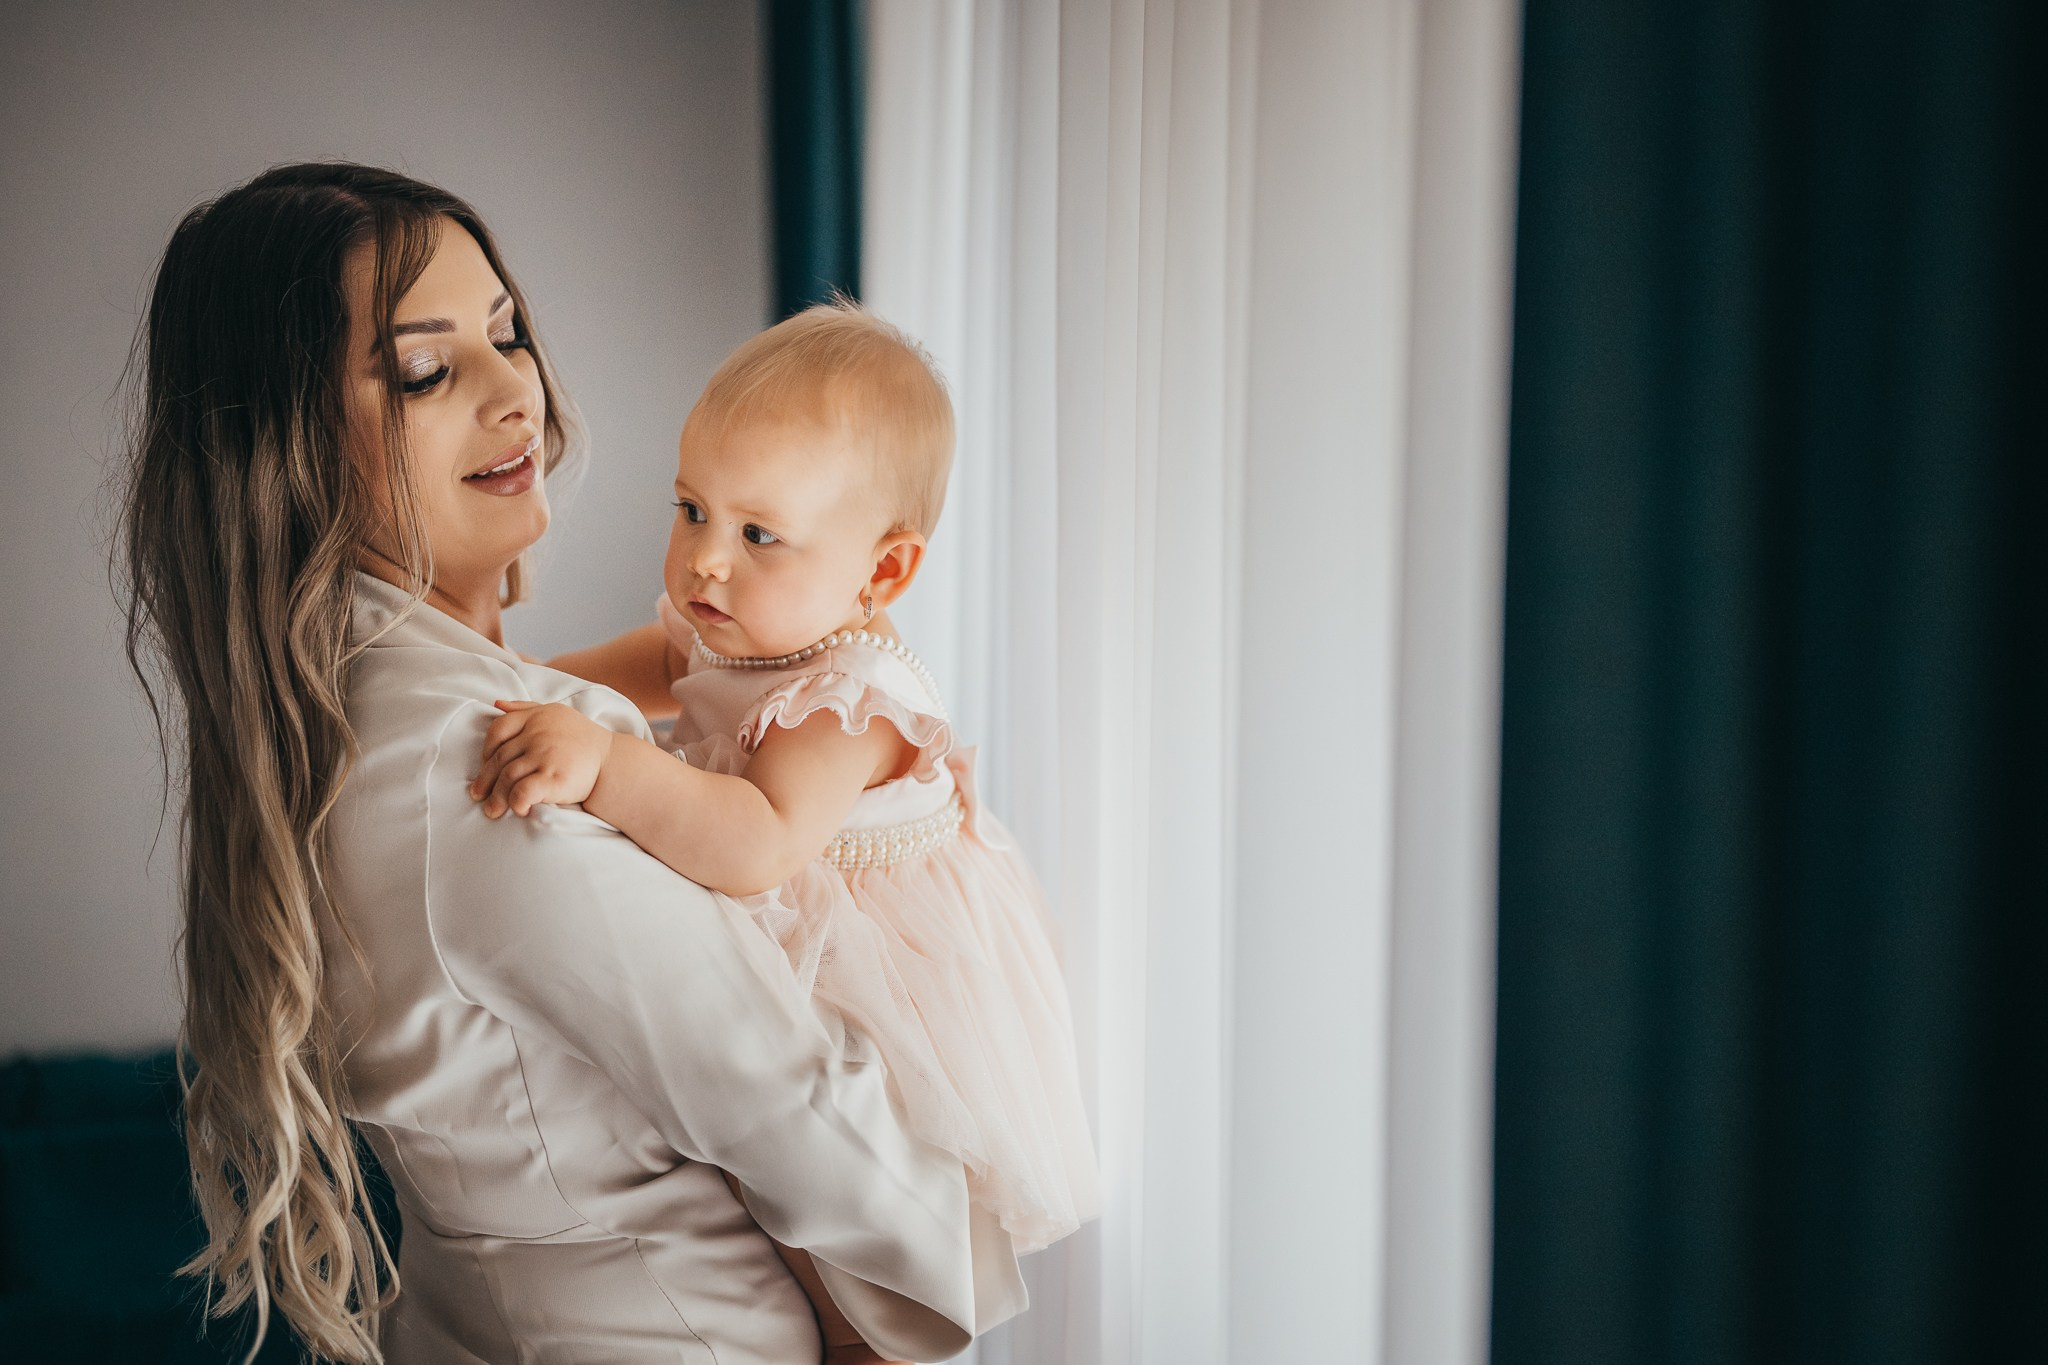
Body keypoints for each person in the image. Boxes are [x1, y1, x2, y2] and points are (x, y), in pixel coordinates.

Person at [118, 161, 1024, 1365]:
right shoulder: (481, 763)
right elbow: (789, 1100)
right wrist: (930, 1294)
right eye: (426, 368)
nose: (516, 393)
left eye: (508, 335)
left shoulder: (362, 718)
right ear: (287, 447)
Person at [466, 306, 1101, 1286]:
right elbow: (642, 667)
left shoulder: (841, 705)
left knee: (864, 1260)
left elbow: (758, 841)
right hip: (791, 940)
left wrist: (606, 764)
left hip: (881, 985)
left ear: (881, 571)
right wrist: (522, 677)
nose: (706, 560)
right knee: (763, 1216)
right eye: (691, 510)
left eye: (758, 533)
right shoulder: (738, 616)